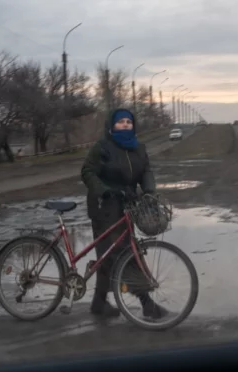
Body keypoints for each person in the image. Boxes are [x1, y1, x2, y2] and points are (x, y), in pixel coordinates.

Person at [81, 108, 168, 319]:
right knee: (123, 252)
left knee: (108, 255)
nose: (125, 125)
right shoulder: (102, 148)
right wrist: (104, 190)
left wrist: (149, 192)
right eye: (121, 122)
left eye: (129, 122)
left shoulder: (139, 148)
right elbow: (87, 172)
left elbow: (146, 171)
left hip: (127, 204)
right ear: (112, 126)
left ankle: (98, 304)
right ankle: (146, 303)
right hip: (105, 206)